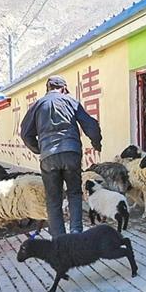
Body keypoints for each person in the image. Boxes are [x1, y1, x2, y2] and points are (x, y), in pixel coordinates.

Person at [20, 75, 102, 237]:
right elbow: (91, 125)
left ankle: (59, 239)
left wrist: (39, 149)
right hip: (71, 153)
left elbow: (25, 134)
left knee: (53, 199)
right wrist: (96, 143)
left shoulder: (37, 105)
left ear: (48, 88)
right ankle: (76, 233)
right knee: (74, 193)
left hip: (48, 157)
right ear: (64, 88)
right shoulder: (71, 101)